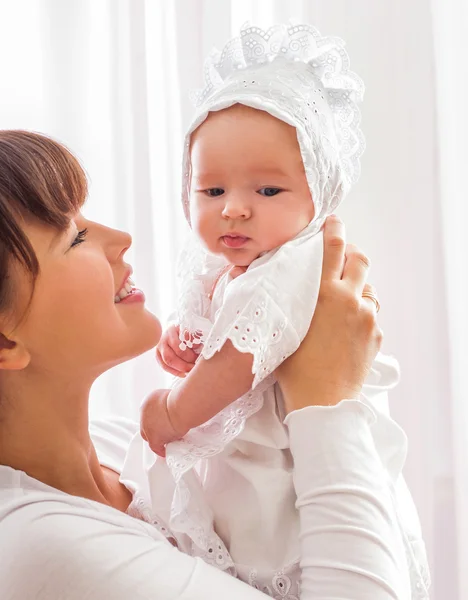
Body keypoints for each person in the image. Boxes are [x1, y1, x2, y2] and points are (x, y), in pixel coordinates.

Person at [0, 129, 414, 599]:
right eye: (74, 238)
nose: (121, 239)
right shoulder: (48, 547)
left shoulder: (123, 446)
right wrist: (328, 398)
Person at [139, 23, 430, 597]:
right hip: (263, 451)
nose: (235, 211)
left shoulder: (290, 268)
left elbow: (235, 363)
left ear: (318, 194)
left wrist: (174, 412)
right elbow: (220, 340)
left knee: (279, 548)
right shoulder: (233, 265)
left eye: (268, 191)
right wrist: (187, 339)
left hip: (294, 468)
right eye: (212, 191)